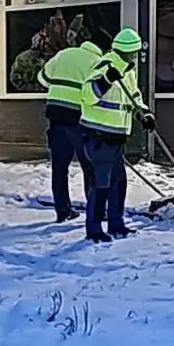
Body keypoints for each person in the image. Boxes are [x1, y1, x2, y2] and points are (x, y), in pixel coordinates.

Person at [79, 28, 155, 243]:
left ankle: (116, 224)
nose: (135, 57)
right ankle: (93, 229)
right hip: (99, 135)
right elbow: (87, 95)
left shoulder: (128, 70)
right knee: (101, 184)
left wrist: (144, 113)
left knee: (117, 183)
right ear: (126, 51)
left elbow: (134, 96)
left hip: (116, 137)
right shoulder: (105, 66)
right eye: (134, 53)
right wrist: (105, 81)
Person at [37, 40, 103, 222]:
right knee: (89, 166)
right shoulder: (96, 61)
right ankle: (95, 212)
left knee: (59, 167)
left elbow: (42, 78)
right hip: (78, 117)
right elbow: (97, 93)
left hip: (56, 114)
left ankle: (63, 210)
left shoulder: (63, 54)